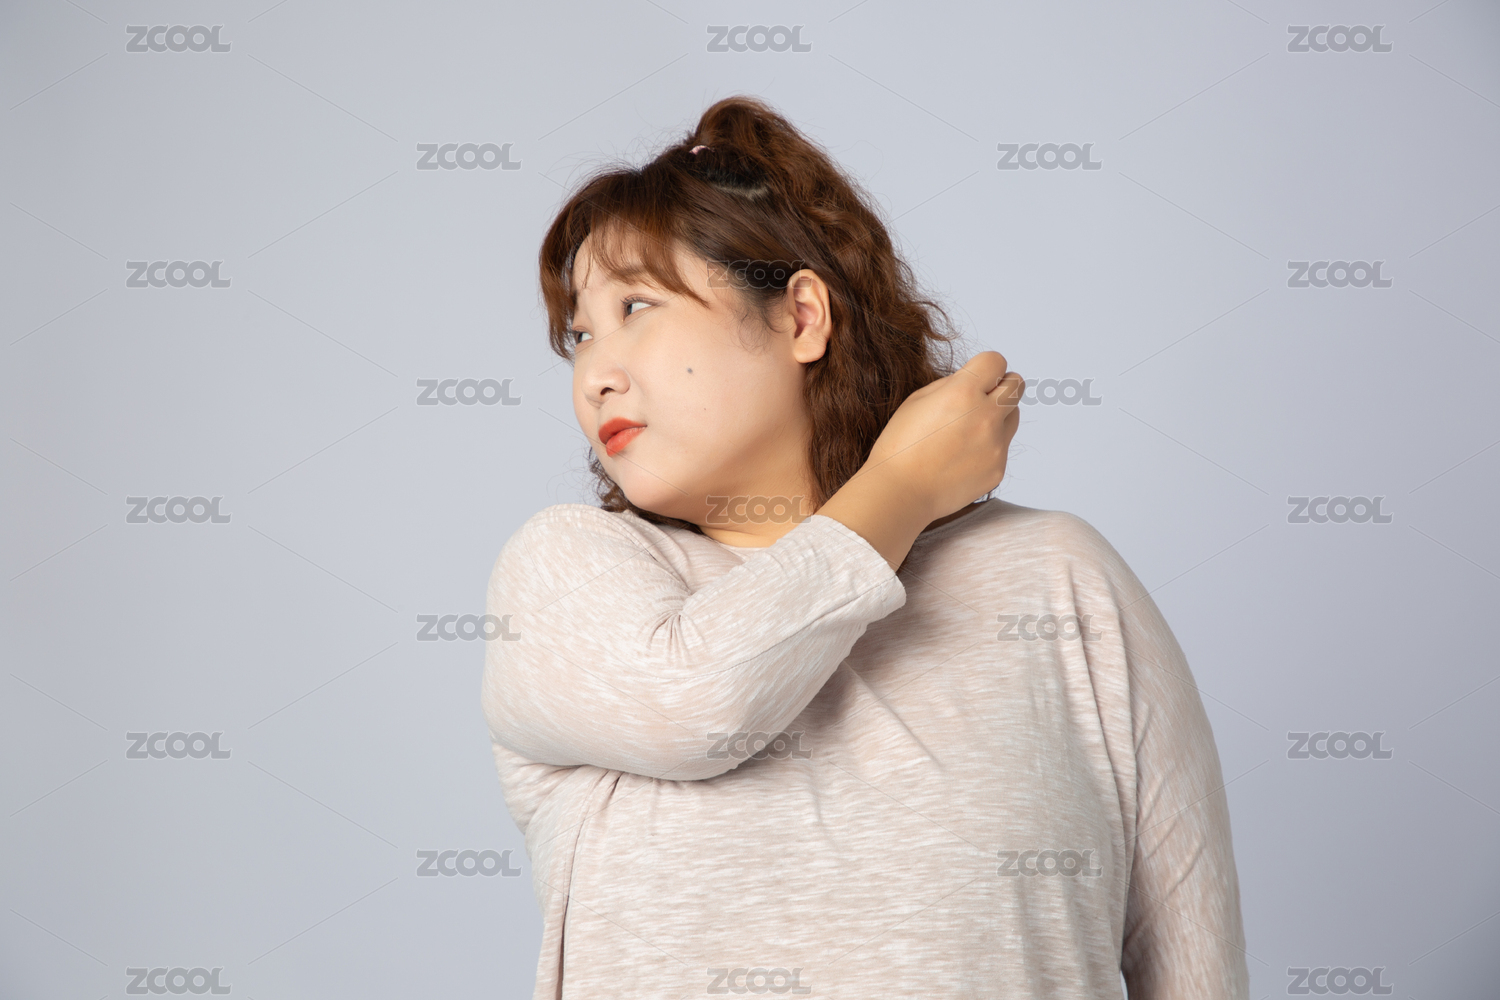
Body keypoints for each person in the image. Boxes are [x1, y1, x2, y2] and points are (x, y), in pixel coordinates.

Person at [481, 95, 1249, 999]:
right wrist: (903, 486)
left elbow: (1197, 970)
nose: (594, 375)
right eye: (579, 335)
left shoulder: (1060, 579)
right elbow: (700, 703)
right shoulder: (569, 575)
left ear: (800, 317)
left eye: (635, 306)